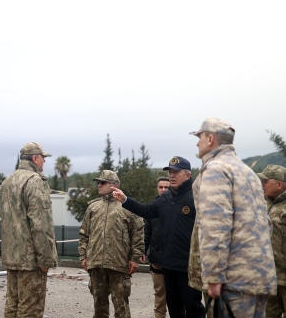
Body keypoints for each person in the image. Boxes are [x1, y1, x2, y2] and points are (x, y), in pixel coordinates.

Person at [188, 117, 276, 318]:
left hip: (233, 282)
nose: (197, 141)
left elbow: (216, 225)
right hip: (259, 278)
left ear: (210, 138)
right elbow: (266, 224)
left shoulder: (215, 170)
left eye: (199, 136)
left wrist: (213, 275)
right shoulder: (248, 173)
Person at [112, 157, 205, 318]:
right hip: (168, 264)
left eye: (176, 172)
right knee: (174, 308)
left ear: (188, 175)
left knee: (193, 307)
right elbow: (147, 211)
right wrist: (125, 200)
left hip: (189, 266)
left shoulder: (197, 197)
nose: (172, 175)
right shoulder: (166, 197)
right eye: (170, 172)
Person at [0, 142, 58, 318]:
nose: (44, 163)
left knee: (13, 304)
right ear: (35, 158)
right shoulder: (35, 182)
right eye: (43, 159)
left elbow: (4, 220)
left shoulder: (7, 182)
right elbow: (41, 225)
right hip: (31, 260)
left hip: (12, 256)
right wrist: (45, 259)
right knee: (30, 308)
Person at [79, 170, 144, 318]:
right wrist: (84, 256)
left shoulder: (127, 207)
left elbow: (138, 234)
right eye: (98, 183)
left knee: (121, 308)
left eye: (102, 182)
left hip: (118, 264)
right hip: (96, 264)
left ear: (114, 185)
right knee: (99, 308)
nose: (99, 185)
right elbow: (84, 234)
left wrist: (134, 258)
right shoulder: (93, 208)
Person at [258, 164, 286, 318]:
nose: (262, 185)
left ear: (280, 184)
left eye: (265, 181)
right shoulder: (263, 202)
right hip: (268, 276)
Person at [145, 177, 170, 318]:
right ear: (157, 189)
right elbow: (146, 232)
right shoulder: (151, 209)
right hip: (156, 259)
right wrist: (143, 250)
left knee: (177, 298)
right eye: (161, 187)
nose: (163, 190)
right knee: (160, 295)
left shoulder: (177, 206)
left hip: (176, 261)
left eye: (166, 187)